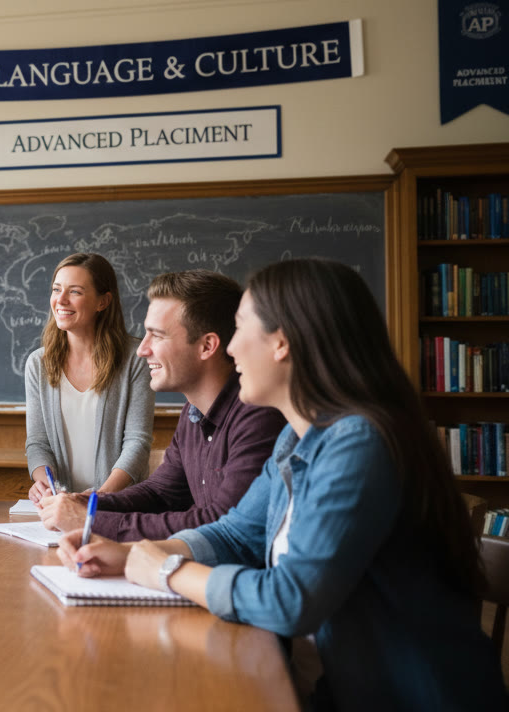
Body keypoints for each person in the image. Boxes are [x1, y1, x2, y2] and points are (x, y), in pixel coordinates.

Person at [56, 259, 507, 710]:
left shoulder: (359, 443)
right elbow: (236, 532)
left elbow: (292, 599)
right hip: (332, 688)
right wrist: (130, 554)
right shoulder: (298, 437)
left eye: (238, 329)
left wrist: (165, 571)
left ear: (282, 344)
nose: (229, 349)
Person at [40, 270, 285, 540]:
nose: (142, 349)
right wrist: (86, 504)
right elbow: (159, 493)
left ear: (207, 346)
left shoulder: (259, 416)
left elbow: (221, 522)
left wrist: (89, 521)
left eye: (156, 335)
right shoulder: (193, 413)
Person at [26, 252, 153, 505]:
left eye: (75, 292)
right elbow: (38, 443)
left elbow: (137, 443)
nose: (60, 300)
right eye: (56, 289)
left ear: (103, 302)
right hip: (60, 506)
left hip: (119, 505)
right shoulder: (38, 363)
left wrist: (100, 498)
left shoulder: (135, 359)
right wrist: (46, 487)